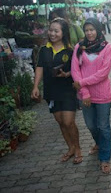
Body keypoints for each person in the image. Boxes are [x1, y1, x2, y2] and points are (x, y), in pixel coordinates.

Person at [31, 18, 82, 164]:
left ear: (63, 32)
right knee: (60, 121)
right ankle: (70, 148)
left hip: (67, 89)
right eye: (51, 30)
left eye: (56, 31)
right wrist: (35, 86)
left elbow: (77, 70)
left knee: (69, 121)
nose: (52, 33)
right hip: (51, 91)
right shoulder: (44, 49)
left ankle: (78, 148)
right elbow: (39, 67)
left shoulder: (71, 51)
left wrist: (66, 74)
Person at [71, 18, 111, 174]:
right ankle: (98, 143)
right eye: (87, 30)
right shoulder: (79, 48)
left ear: (98, 30)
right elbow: (75, 71)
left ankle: (105, 159)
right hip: (85, 96)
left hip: (103, 95)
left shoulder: (107, 48)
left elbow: (103, 73)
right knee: (91, 125)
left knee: (103, 127)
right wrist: (84, 92)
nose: (89, 33)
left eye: (92, 29)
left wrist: (82, 83)